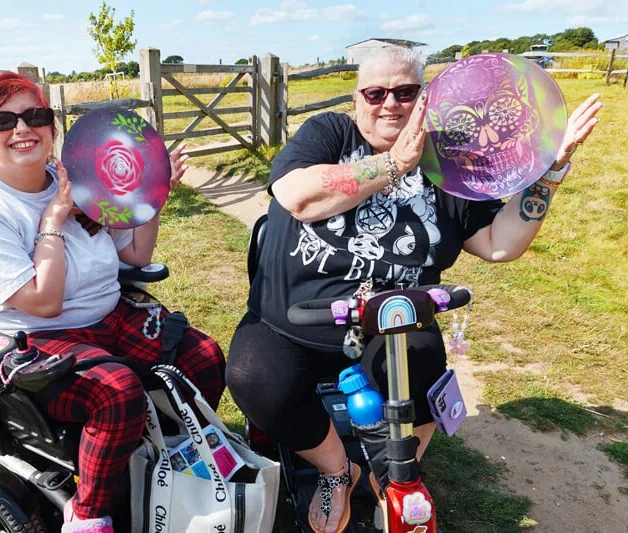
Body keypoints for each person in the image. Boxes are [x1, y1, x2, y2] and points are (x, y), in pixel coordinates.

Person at [225, 46, 601, 533]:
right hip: (296, 319)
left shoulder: (448, 163)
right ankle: (338, 471)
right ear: (357, 97)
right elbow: (296, 195)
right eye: (375, 92)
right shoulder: (330, 133)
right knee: (257, 378)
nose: (390, 104)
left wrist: (554, 167)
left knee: (422, 371)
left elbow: (499, 244)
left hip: (393, 325)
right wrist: (395, 163)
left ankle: (396, 474)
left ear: (424, 97)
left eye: (405, 92)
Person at [0, 72, 225, 533]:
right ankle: (89, 515)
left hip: (107, 316)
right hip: (30, 338)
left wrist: (154, 195)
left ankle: (170, 464)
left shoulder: (72, 177)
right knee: (115, 391)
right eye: (3, 120)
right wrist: (53, 217)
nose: (22, 129)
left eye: (35, 116)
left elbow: (136, 255)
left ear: (52, 126)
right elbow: (44, 302)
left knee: (203, 357)